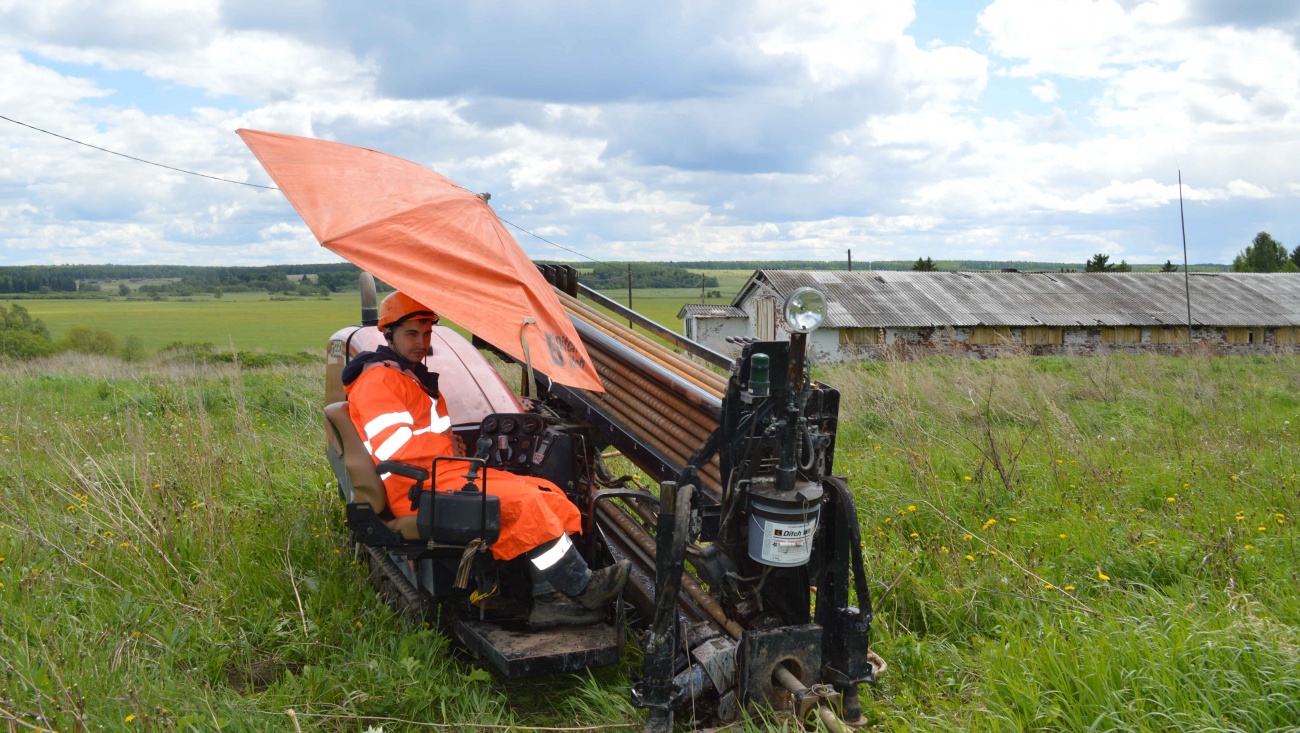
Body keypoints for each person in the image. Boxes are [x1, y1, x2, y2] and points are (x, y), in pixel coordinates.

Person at [342, 291, 629, 627]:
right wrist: (446, 443)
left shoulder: (408, 375)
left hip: (443, 475)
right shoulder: (379, 380)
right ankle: (582, 587)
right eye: (411, 334)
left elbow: (422, 435)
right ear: (388, 334)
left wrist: (451, 445)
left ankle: (547, 599)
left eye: (426, 333)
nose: (421, 342)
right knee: (523, 501)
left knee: (546, 494)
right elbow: (395, 447)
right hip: (415, 489)